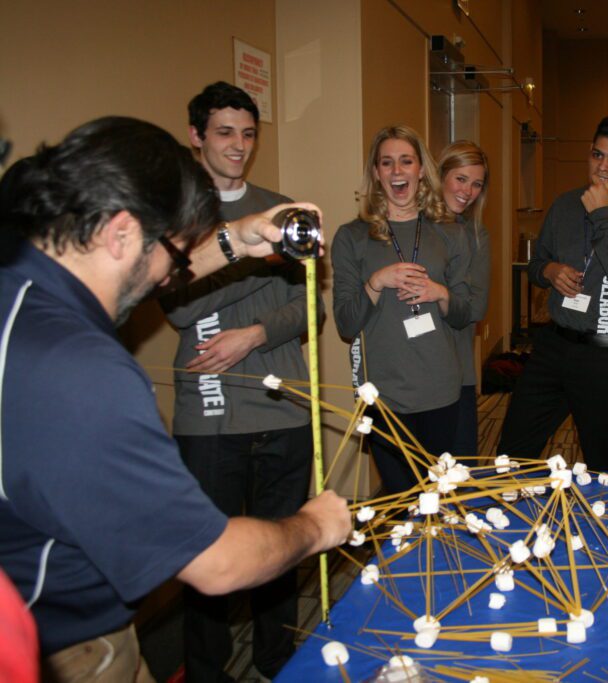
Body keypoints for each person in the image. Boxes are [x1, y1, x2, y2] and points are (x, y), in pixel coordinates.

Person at [0, 116, 351, 682]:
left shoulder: (19, 277)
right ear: (119, 233)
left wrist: (242, 235)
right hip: (61, 645)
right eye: (173, 250)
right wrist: (314, 526)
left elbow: (160, 263)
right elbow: (216, 564)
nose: (173, 274)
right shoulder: (86, 373)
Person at [159, 81, 323, 682]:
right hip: (211, 417)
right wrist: (260, 260)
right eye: (224, 132)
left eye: (248, 133)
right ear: (197, 136)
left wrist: (250, 333)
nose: (238, 145)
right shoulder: (176, 210)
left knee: (281, 554)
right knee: (208, 560)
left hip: (283, 408)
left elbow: (310, 308)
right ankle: (206, 672)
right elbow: (176, 308)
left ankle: (278, 664)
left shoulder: (282, 208)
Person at [496, 113, 608, 472]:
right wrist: (550, 270)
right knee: (511, 453)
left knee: (601, 465)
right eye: (597, 155)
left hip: (606, 356)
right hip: (553, 347)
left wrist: (603, 213)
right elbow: (535, 263)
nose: (602, 167)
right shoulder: (564, 205)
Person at [332, 125, 471, 494]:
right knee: (399, 499)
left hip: (440, 391)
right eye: (387, 163)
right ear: (376, 173)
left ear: (421, 170)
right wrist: (377, 282)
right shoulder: (352, 236)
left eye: (406, 161)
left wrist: (438, 292)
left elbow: (463, 314)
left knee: (437, 498)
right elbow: (346, 323)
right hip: (383, 395)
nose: (397, 171)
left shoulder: (449, 233)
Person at [437, 141, 490, 459]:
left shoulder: (475, 235)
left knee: (460, 476)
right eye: (461, 179)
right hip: (412, 378)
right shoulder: (411, 230)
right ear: (440, 175)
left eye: (477, 184)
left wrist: (441, 294)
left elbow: (476, 308)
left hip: (458, 373)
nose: (468, 191)